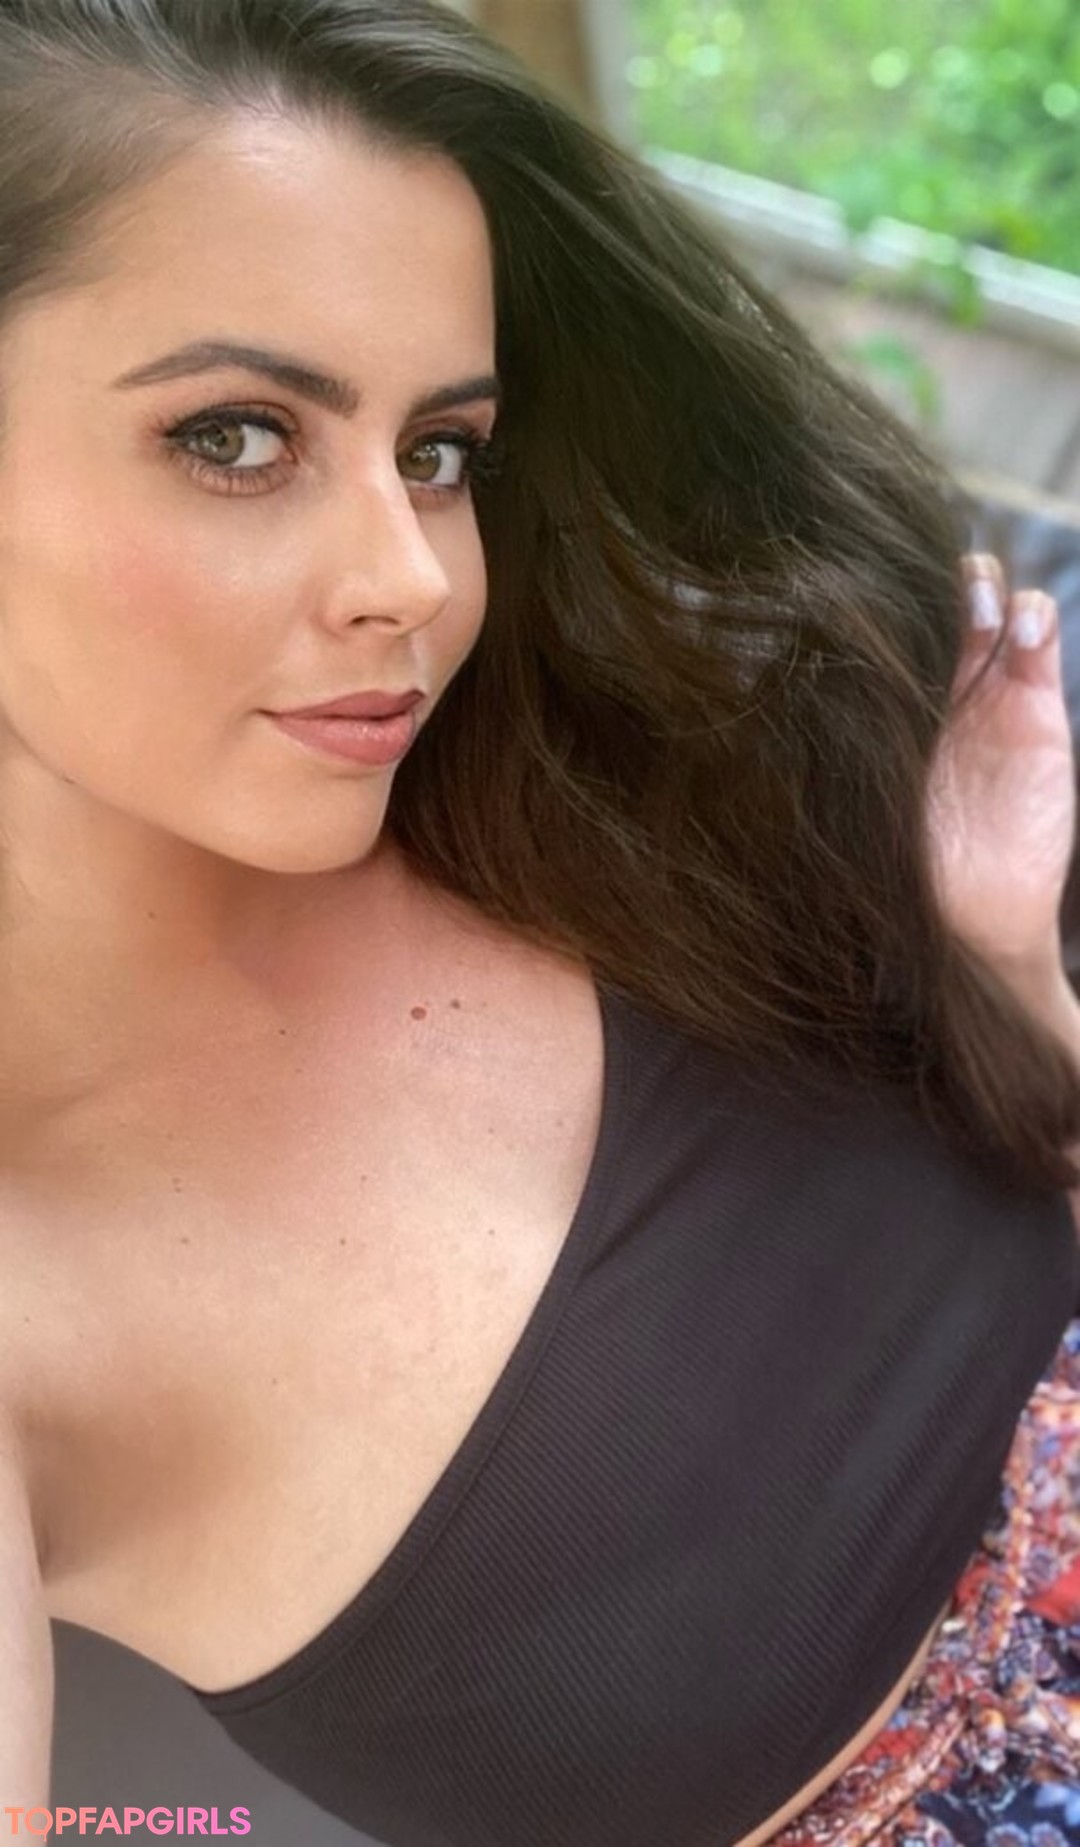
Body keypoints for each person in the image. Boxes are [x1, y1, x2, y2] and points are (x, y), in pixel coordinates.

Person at [0, 0, 1076, 1842]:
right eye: (237, 435)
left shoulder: (597, 790)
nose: (411, 576)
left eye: (439, 452)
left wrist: (997, 971)